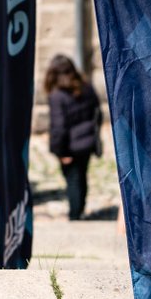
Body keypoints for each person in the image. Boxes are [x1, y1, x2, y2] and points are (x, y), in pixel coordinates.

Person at [46, 54, 102, 221]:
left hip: (70, 147)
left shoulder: (57, 95)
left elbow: (59, 127)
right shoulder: (86, 87)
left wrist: (60, 151)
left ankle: (75, 215)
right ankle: (80, 209)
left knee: (73, 181)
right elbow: (97, 112)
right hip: (87, 142)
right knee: (82, 177)